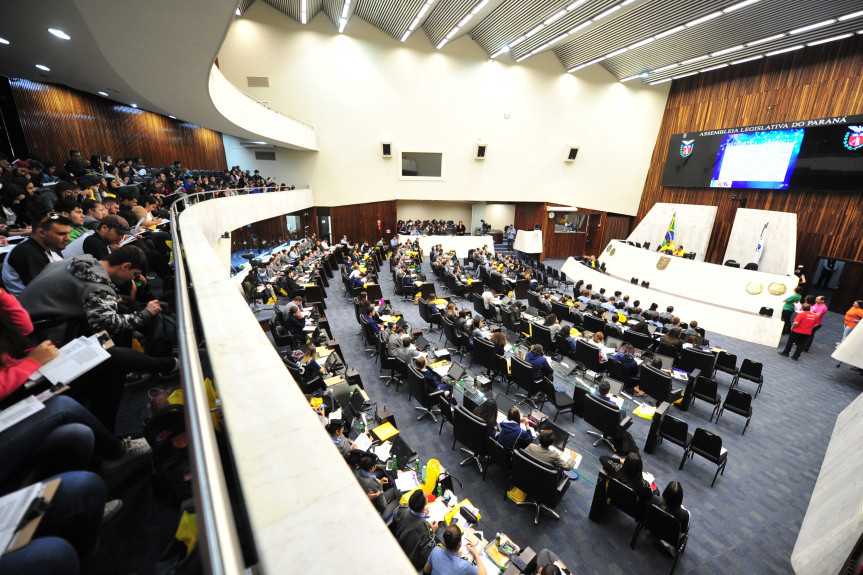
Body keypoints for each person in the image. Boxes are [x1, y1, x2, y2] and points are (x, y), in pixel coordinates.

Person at [1, 212, 73, 296]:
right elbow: (44, 291)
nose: (68, 238)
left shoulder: (51, 246)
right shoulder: (27, 253)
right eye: (61, 234)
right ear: (41, 232)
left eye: (68, 233)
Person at [392, 489, 437, 570]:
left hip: (398, 549)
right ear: (424, 507)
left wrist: (421, 513)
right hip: (411, 564)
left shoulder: (402, 509)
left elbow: (395, 517)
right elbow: (427, 557)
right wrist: (432, 533)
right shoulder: (426, 531)